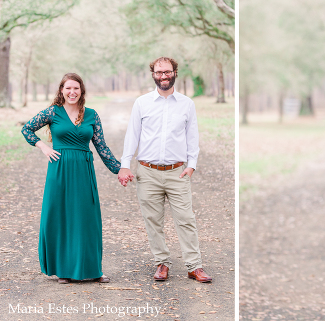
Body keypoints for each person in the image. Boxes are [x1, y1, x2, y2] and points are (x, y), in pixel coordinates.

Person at [117, 57, 211, 283]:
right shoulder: (142, 102)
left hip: (177, 172)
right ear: (153, 75)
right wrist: (124, 164)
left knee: (186, 219)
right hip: (147, 172)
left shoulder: (187, 104)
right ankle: (162, 263)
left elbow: (192, 136)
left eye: (167, 72)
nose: (164, 76)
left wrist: (191, 165)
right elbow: (133, 135)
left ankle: (194, 266)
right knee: (153, 220)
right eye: (159, 72)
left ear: (175, 72)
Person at [21, 73, 120, 284]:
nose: (72, 92)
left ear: (82, 91)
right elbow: (27, 129)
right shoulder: (52, 112)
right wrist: (43, 147)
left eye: (76, 88)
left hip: (83, 172)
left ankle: (94, 269)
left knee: (86, 218)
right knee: (59, 216)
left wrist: (119, 169)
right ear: (61, 90)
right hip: (59, 170)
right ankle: (63, 270)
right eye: (68, 88)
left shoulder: (92, 115)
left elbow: (101, 147)